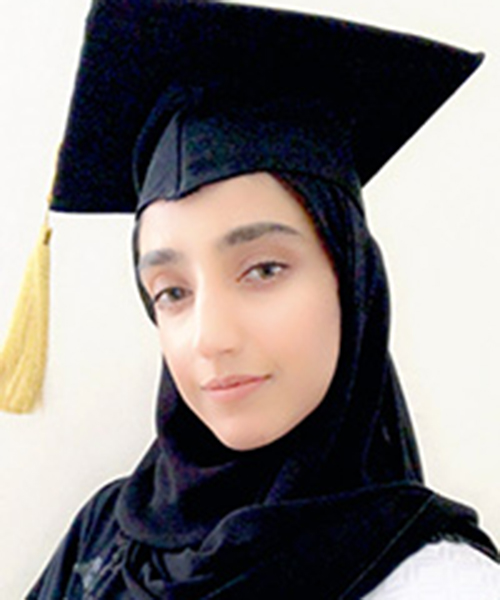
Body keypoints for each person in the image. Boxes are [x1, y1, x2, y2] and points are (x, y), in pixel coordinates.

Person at [27, 1, 500, 598]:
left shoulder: (438, 584)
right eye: (172, 292)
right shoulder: (103, 541)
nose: (210, 337)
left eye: (263, 270)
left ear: (352, 282)